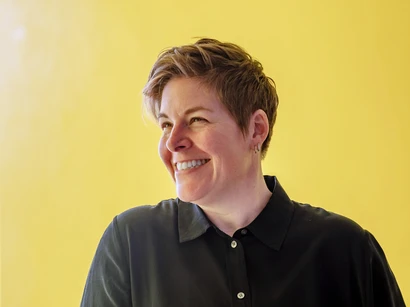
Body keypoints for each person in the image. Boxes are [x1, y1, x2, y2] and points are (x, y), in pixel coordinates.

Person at [80, 38, 405, 306]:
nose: (173, 141)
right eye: (166, 124)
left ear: (255, 129)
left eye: (196, 120)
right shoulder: (130, 242)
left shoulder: (346, 249)